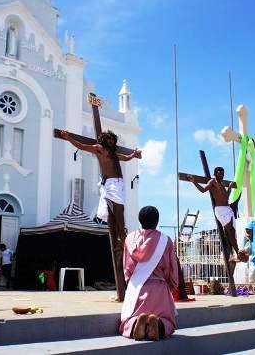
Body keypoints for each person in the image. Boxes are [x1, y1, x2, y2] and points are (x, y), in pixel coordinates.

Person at [60, 129, 141, 300]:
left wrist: (133, 154)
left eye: (113, 139)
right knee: (115, 214)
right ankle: (121, 240)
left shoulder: (114, 153)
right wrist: (68, 137)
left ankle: (121, 240)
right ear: (104, 139)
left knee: (120, 213)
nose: (111, 141)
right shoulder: (99, 148)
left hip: (120, 184)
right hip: (110, 184)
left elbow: (126, 158)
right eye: (108, 138)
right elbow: (81, 145)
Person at [120, 206, 178, 341]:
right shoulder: (165, 240)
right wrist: (171, 285)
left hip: (137, 287)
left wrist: (130, 282)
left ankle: (136, 322)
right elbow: (172, 268)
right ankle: (157, 323)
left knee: (127, 320)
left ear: (140, 220)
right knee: (168, 322)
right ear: (157, 221)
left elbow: (126, 266)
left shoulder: (130, 238)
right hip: (159, 288)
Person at [187, 167, 239, 254]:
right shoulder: (212, 182)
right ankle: (237, 252)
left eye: (222, 174)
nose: (221, 175)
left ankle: (233, 253)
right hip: (220, 210)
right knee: (229, 231)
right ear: (215, 174)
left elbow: (226, 197)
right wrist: (194, 181)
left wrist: (229, 188)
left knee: (232, 232)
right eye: (219, 174)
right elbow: (203, 190)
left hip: (228, 209)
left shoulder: (222, 184)